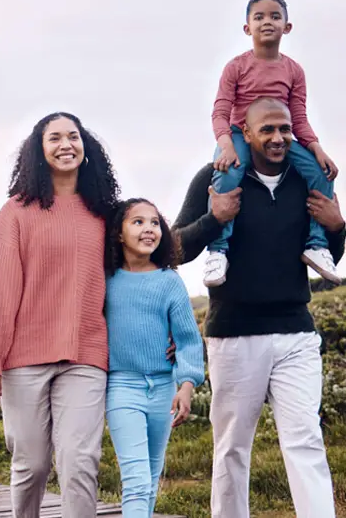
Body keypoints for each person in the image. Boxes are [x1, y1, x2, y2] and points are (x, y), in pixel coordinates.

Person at [173, 98, 346, 518]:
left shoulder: (308, 179)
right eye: (267, 130)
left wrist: (337, 226)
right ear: (245, 134)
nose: (278, 138)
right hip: (234, 334)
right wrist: (213, 219)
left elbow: (329, 257)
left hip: (296, 333)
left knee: (305, 439)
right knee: (232, 447)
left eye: (285, 129)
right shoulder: (214, 177)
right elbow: (175, 248)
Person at [0, 111, 119, 518]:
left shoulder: (105, 213)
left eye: (73, 136)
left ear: (85, 146)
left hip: (86, 354)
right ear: (39, 150)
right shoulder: (17, 212)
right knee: (31, 466)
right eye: (54, 138)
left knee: (79, 462)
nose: (65, 145)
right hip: (24, 359)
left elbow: (133, 277)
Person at [202, 0, 342, 287]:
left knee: (322, 174)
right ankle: (218, 251)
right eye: (259, 17)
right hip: (241, 134)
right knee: (227, 175)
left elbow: (298, 118)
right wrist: (226, 144)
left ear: (287, 27)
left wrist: (317, 148)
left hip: (279, 137)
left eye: (275, 16)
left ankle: (315, 245)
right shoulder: (236, 67)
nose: (267, 22)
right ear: (247, 27)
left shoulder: (293, 71)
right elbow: (220, 111)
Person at [102, 198, 207, 518]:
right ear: (119, 234)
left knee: (149, 478)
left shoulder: (169, 281)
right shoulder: (105, 280)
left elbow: (188, 339)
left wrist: (186, 385)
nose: (149, 228)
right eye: (137, 222)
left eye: (155, 222)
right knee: (134, 480)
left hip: (163, 388)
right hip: (121, 387)